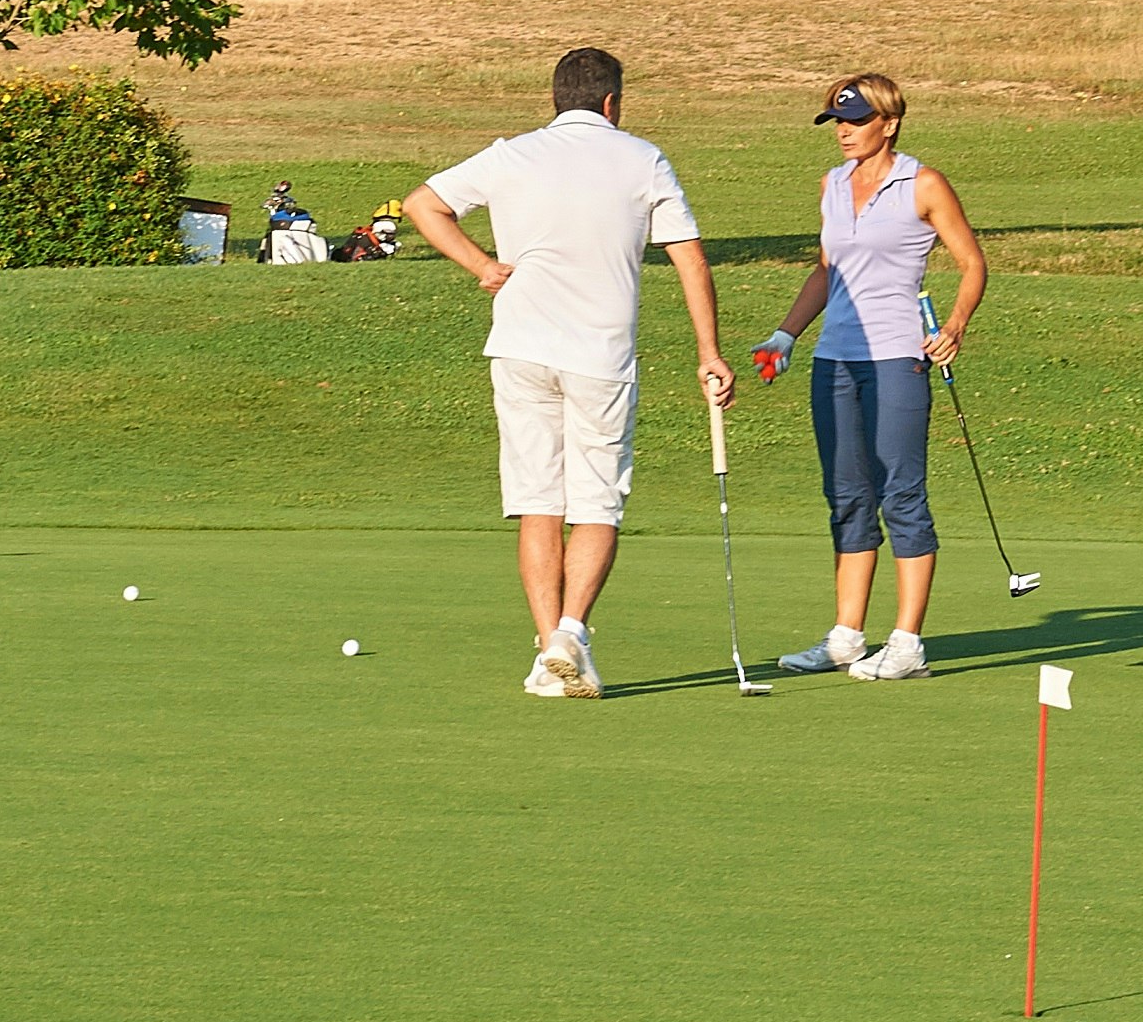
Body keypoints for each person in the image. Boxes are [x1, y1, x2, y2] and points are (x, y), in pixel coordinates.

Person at [406, 48, 737, 698]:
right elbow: (691, 261)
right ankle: (572, 633)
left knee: (538, 504)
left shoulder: (512, 154)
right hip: (600, 359)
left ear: (556, 99)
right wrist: (709, 353)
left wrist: (481, 266)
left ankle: (545, 655)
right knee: (596, 505)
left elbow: (423, 205)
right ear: (612, 103)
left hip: (520, 350)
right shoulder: (643, 159)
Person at [749, 72, 987, 681]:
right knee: (847, 496)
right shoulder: (832, 185)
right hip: (835, 360)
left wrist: (955, 325)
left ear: (890, 123)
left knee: (901, 493)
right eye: (837, 122)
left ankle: (907, 644)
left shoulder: (923, 183)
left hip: (897, 358)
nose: (844, 132)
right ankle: (846, 638)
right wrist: (785, 335)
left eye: (855, 120)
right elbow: (827, 271)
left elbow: (970, 263)